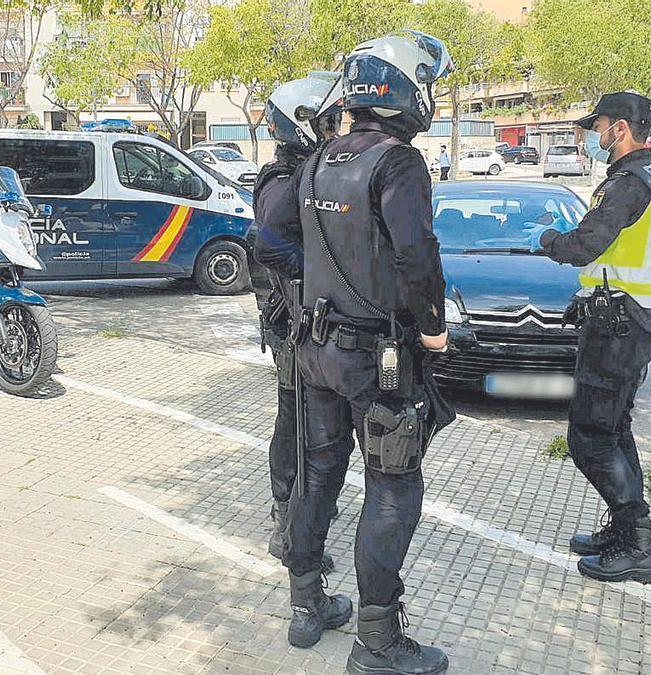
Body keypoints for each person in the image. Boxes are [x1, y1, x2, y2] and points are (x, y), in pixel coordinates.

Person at [279, 31, 456, 674]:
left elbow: (286, 238)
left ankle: (307, 604)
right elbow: (417, 255)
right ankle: (378, 643)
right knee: (392, 492)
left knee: (318, 475)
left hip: (316, 350)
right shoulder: (398, 161)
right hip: (378, 361)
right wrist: (433, 326)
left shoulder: (319, 158)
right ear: (405, 87)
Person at [526, 91, 651, 585]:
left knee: (588, 437)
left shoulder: (626, 184)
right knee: (615, 430)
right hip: (639, 319)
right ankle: (623, 531)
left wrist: (549, 238)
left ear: (619, 129)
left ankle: (639, 544)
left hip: (616, 325)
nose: (594, 135)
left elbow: (584, 245)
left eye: (598, 126)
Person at [249, 76, 344, 573]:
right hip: (292, 325)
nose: (335, 130)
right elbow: (269, 245)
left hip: (310, 321)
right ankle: (286, 520)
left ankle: (299, 516)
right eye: (327, 122)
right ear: (301, 124)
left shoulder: (313, 172)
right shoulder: (284, 180)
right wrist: (311, 273)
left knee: (310, 423)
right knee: (296, 422)